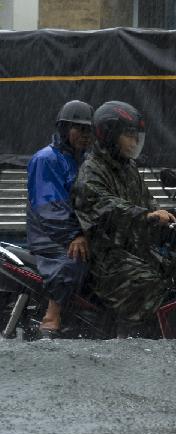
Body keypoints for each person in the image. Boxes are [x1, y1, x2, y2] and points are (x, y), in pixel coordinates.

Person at [72, 101, 174, 332]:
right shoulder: (93, 169)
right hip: (105, 257)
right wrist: (146, 215)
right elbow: (106, 207)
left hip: (133, 250)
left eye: (136, 135)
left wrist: (169, 216)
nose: (135, 141)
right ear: (109, 135)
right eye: (129, 135)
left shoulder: (128, 168)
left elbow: (147, 202)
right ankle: (127, 341)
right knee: (147, 282)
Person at [25, 100, 94, 335]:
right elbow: (49, 206)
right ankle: (51, 316)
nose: (84, 135)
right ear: (64, 129)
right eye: (79, 129)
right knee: (74, 259)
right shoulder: (47, 159)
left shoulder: (84, 159)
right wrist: (73, 234)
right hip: (49, 235)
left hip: (76, 230)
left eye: (88, 130)